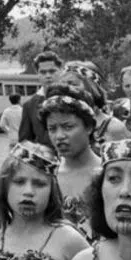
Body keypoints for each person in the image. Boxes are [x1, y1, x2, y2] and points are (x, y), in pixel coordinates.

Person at [41, 83, 102, 239]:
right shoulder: (47, 176)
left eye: (68, 127)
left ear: (88, 127)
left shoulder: (107, 173)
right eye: (52, 129)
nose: (59, 136)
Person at [60, 62, 129, 144]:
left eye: (73, 84)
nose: (66, 89)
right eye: (62, 84)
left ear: (91, 87)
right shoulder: (59, 124)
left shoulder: (113, 128)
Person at [19, 49, 63, 147]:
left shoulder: (73, 97)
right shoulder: (29, 105)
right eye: (43, 72)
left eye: (52, 71)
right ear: (37, 74)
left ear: (60, 71)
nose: (48, 76)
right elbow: (25, 142)